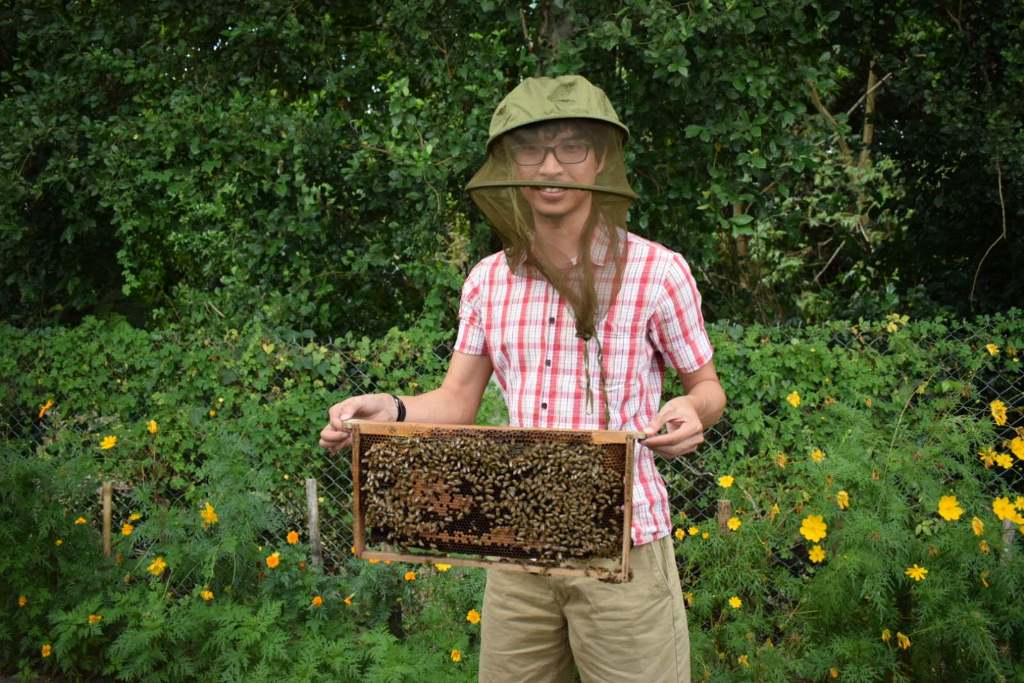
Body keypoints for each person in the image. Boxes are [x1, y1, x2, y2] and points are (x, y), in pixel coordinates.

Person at [320, 75, 726, 683]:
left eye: (571, 147)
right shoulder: (488, 280)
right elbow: (457, 400)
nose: (551, 166)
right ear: (509, 163)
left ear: (600, 161)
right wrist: (392, 410)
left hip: (627, 546)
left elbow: (708, 388)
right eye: (532, 149)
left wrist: (694, 411)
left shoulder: (657, 272)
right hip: (517, 552)